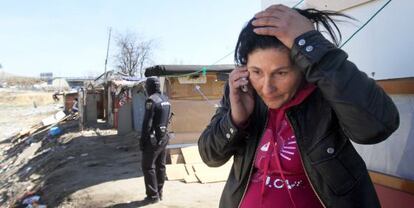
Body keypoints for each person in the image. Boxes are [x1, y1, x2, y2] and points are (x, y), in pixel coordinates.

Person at [198, 4, 399, 208]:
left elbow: (377, 126)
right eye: (257, 72)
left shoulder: (325, 93)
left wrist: (312, 44)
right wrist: (236, 119)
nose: (267, 88)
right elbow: (210, 157)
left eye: (281, 73)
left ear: (302, 68)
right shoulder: (241, 91)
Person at [140, 76, 171, 204]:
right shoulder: (166, 99)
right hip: (164, 137)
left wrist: (143, 139)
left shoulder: (151, 100)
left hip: (153, 139)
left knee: (148, 166)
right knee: (160, 166)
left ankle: (153, 196)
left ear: (149, 87)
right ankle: (160, 192)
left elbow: (147, 122)